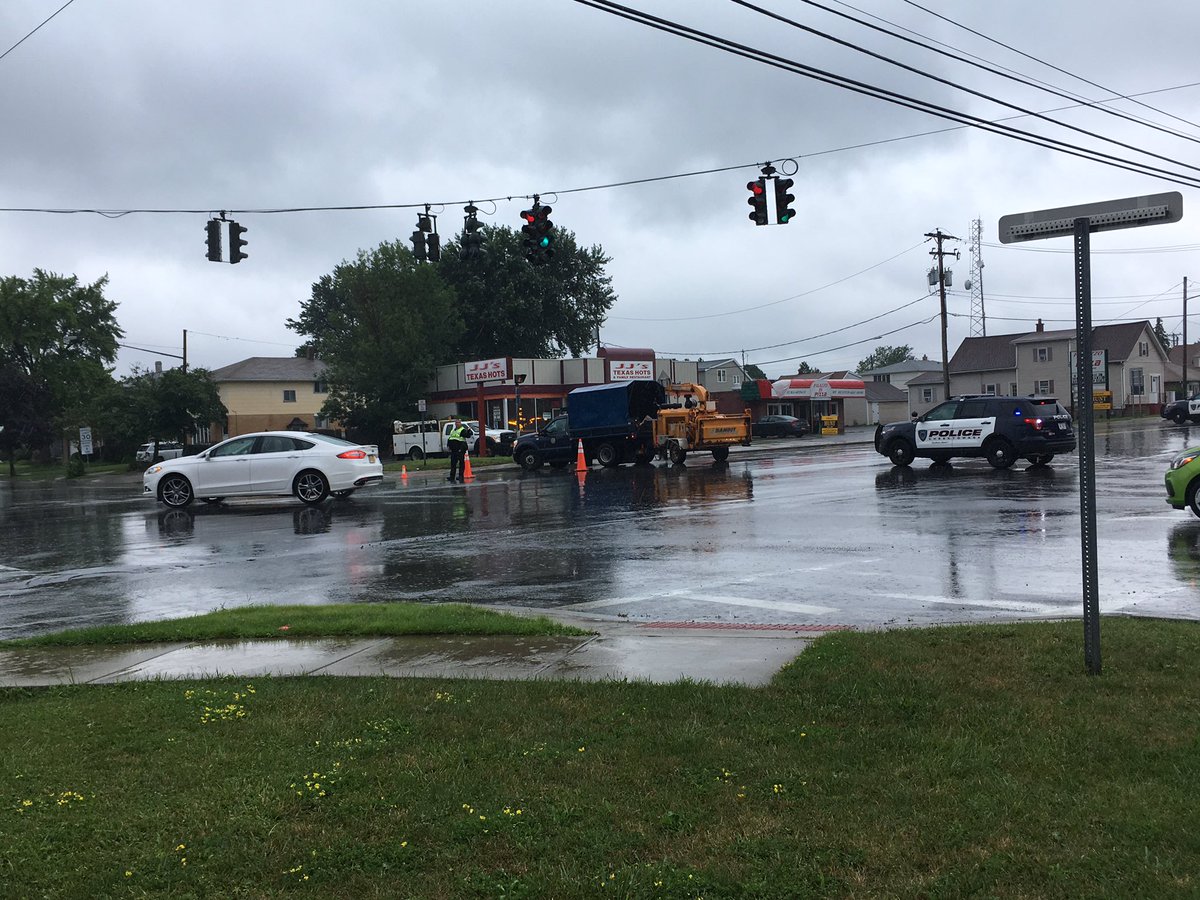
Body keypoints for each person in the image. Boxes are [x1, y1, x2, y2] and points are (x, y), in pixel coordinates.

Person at [446, 418, 473, 483]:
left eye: (458, 422)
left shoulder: (462, 430)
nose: (457, 424)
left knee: (461, 463)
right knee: (453, 463)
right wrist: (448, 445)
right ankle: (452, 476)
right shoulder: (453, 430)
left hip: (460, 449)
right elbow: (450, 437)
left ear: (460, 423)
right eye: (456, 422)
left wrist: (469, 431)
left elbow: (467, 435)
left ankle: (461, 476)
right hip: (453, 449)